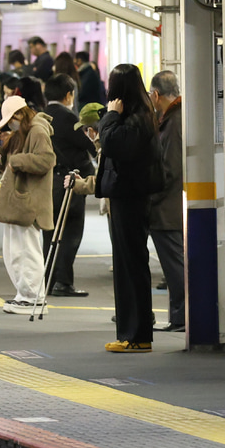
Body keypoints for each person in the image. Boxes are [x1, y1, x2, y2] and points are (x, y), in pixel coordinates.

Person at [71, 64, 159, 352]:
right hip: (128, 195)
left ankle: (137, 335)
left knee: (131, 264)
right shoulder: (137, 114)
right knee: (127, 264)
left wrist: (110, 115)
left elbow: (111, 144)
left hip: (130, 196)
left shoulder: (135, 117)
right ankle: (130, 333)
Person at [0, 95, 56, 314]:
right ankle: (24, 294)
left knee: (27, 250)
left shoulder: (37, 130)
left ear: (19, 115)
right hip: (20, 199)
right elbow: (10, 163)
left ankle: (33, 297)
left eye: (10, 121)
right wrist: (1, 156)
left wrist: (15, 161)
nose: (9, 126)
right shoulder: (24, 132)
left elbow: (47, 159)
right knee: (15, 250)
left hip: (30, 199)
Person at [41, 74, 95, 297]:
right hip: (69, 182)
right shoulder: (67, 116)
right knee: (71, 232)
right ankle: (62, 282)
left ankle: (47, 281)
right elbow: (87, 145)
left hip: (47, 182)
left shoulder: (41, 116)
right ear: (68, 94)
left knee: (49, 234)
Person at [148, 70, 185, 332]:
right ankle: (179, 316)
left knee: (175, 265)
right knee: (176, 264)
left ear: (156, 94)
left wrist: (150, 197)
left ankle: (182, 317)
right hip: (171, 206)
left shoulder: (173, 122)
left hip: (167, 209)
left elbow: (169, 169)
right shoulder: (176, 117)